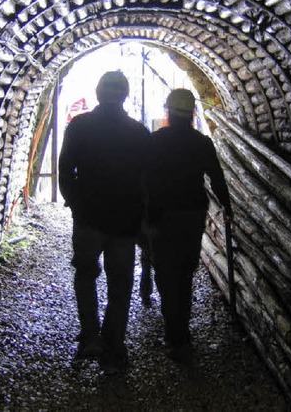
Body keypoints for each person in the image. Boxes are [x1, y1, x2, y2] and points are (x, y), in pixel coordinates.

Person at [58, 71, 150, 374]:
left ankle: (90, 337)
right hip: (124, 222)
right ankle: (113, 346)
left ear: (98, 93)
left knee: (85, 275)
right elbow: (146, 182)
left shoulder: (80, 126)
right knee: (120, 284)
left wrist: (75, 203)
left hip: (89, 218)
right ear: (124, 95)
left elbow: (65, 170)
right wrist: (142, 216)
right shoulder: (138, 133)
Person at [146, 88, 232, 364]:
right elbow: (217, 179)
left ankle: (175, 333)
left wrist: (143, 216)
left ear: (168, 112)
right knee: (184, 273)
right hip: (192, 216)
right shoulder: (202, 143)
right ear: (192, 113)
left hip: (163, 216)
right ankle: (180, 332)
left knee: (166, 274)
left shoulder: (155, 141)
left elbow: (143, 180)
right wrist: (227, 209)